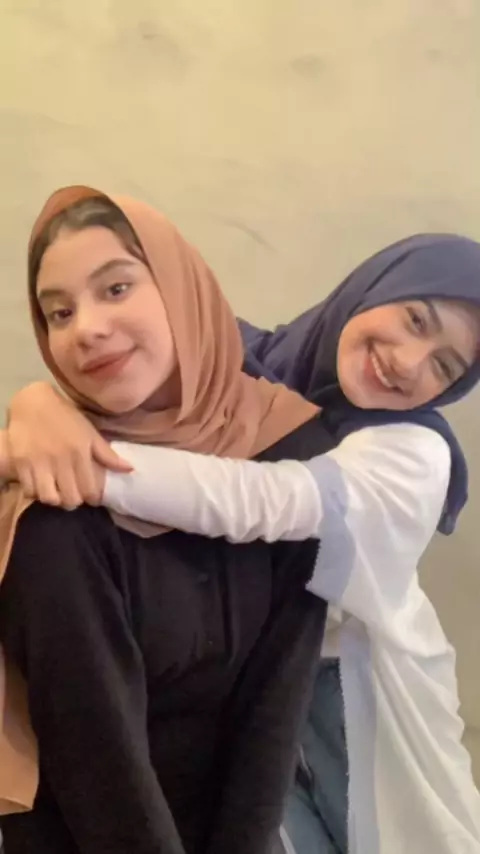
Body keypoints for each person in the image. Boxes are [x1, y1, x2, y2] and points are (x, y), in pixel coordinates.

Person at [7, 235, 480, 853]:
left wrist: (75, 464)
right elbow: (137, 358)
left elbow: (257, 501)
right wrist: (38, 405)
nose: (411, 363)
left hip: (349, 684)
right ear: (377, 285)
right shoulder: (241, 362)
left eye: (445, 366)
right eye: (416, 320)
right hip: (248, 679)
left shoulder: (415, 453)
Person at [0, 184, 339, 854]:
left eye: (116, 288)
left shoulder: (286, 448)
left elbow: (277, 697)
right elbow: (92, 755)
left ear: (181, 291)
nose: (85, 328)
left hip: (231, 817)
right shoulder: (59, 498)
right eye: (59, 312)